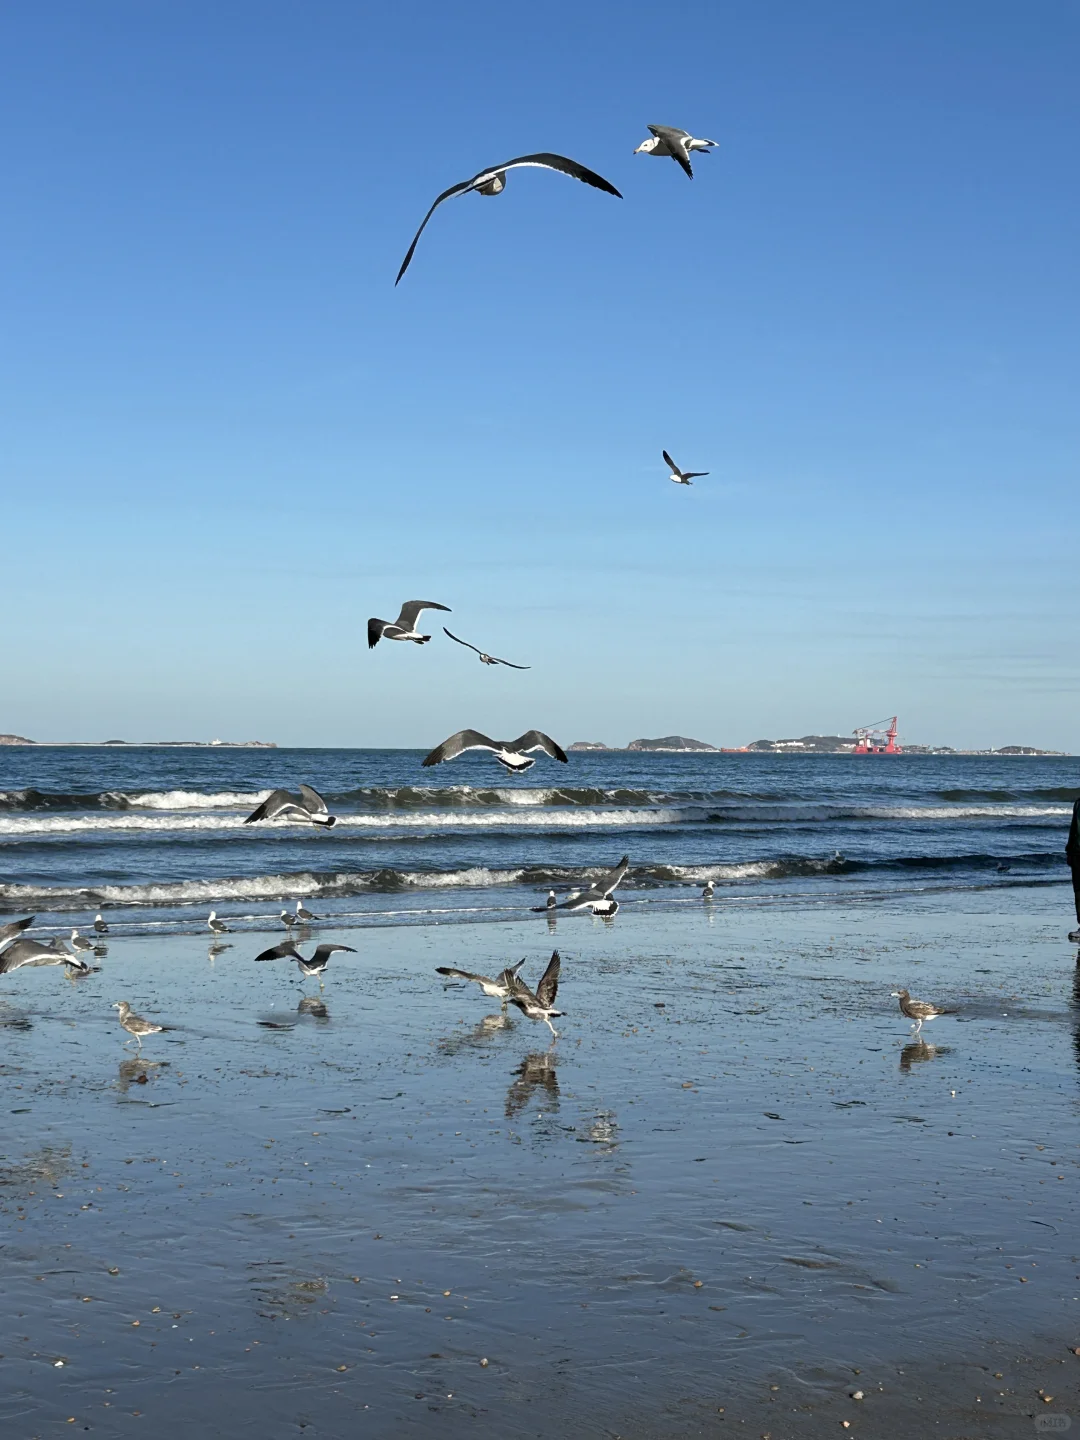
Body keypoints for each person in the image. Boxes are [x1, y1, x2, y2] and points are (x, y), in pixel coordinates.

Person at [1068, 796, 1080, 944]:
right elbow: (1073, 829)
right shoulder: (1077, 803)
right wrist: (1069, 851)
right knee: (1078, 890)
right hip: (1077, 852)